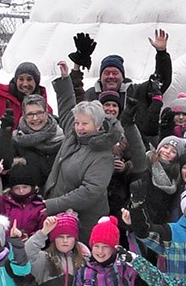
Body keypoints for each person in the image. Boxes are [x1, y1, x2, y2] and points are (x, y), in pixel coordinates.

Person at [43, 63, 125, 242]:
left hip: (84, 224)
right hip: (60, 216)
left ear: (97, 125)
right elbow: (66, 110)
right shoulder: (74, 136)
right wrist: (65, 80)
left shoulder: (103, 153)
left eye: (85, 124)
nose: (79, 127)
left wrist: (52, 205)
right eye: (77, 123)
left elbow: (90, 191)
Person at [0, 94, 63, 193]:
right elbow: (1, 163)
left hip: (58, 198)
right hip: (26, 200)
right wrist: (5, 131)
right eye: (30, 114)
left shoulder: (61, 138)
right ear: (24, 115)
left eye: (39, 113)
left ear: (46, 113)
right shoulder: (16, 139)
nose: (35, 118)